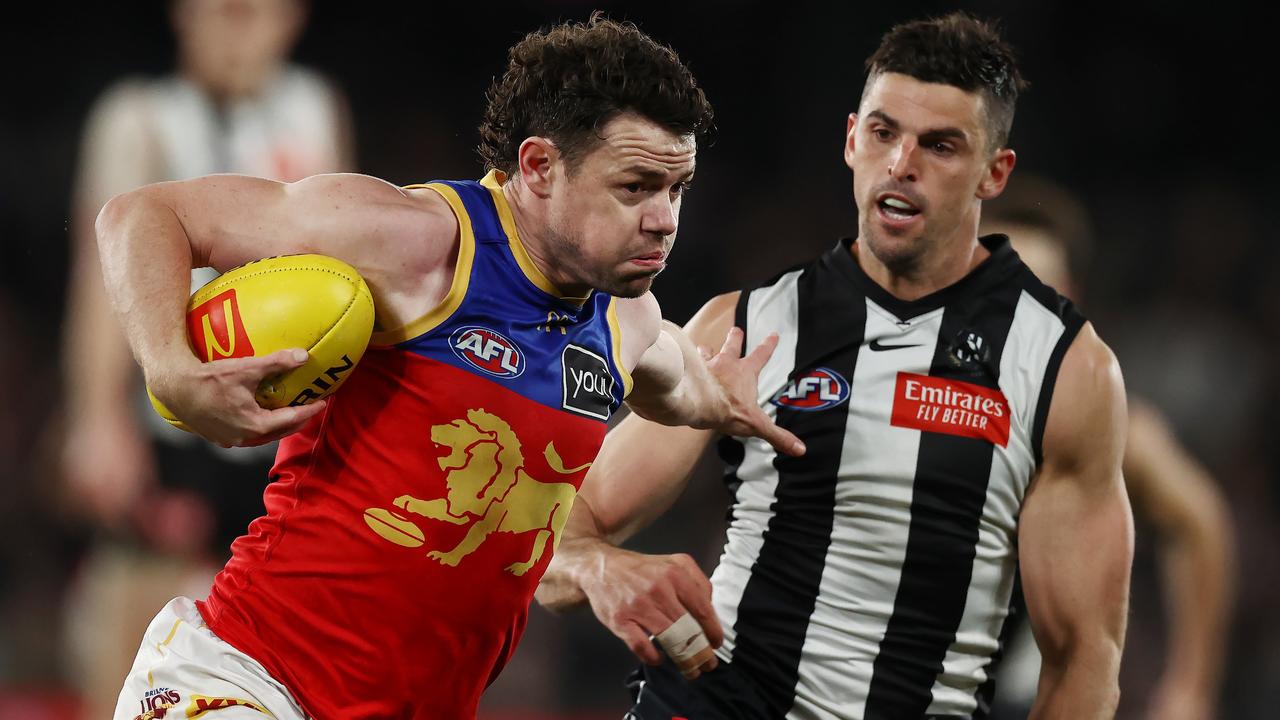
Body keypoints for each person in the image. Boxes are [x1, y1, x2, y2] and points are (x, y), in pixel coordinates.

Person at [93, 14, 805, 720]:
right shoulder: (419, 241)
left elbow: (688, 388)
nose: (664, 220)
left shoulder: (629, 324)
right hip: (246, 679)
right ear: (539, 167)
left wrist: (727, 402)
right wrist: (170, 369)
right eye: (635, 187)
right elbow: (144, 215)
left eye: (676, 189)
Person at [536, 12, 1134, 719]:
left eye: (940, 146)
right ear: (852, 140)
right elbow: (555, 528)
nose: (901, 164)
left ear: (994, 173)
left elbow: (1084, 657)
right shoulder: (746, 326)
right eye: (884, 133)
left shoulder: (1064, 366)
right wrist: (602, 565)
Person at [59, 1, 353, 717]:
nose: (238, 29)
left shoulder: (314, 107)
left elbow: (349, 264)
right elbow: (102, 283)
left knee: (291, 649)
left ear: (290, 19)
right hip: (175, 413)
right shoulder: (139, 115)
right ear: (185, 15)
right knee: (140, 634)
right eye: (224, 11)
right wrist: (97, 419)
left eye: (255, 13)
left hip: (289, 411)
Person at [979, 176, 1236, 720]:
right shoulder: (903, 390)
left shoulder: (1102, 428)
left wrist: (1191, 688)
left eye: (1037, 291)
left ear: (1070, 295)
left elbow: (1200, 522)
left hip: (1024, 700)